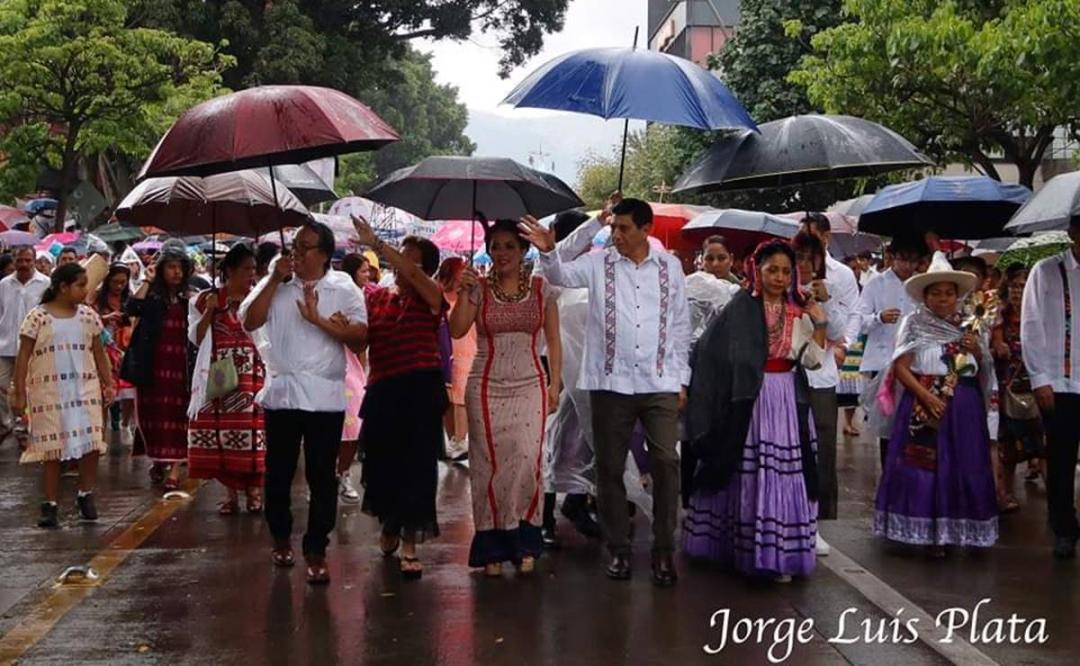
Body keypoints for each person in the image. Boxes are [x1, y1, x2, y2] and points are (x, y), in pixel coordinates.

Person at [521, 198, 691, 587]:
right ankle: (618, 550)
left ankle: (664, 552)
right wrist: (549, 250)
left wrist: (681, 377)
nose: (616, 235)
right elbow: (559, 274)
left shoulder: (671, 267)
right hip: (609, 383)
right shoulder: (598, 264)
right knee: (609, 470)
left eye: (625, 229)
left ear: (646, 229)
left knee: (666, 462)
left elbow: (680, 323)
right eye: (613, 228)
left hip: (659, 382)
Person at [684, 241, 827, 581]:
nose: (779, 277)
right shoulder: (741, 307)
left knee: (781, 472)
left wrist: (819, 322)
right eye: (772, 270)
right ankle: (739, 548)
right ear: (756, 270)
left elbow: (814, 360)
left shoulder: (798, 310)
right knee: (745, 470)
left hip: (785, 399)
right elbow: (708, 349)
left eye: (785, 272)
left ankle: (777, 554)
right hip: (747, 399)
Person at [241, 221, 368, 584]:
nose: (296, 253)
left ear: (325, 254)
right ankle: (280, 538)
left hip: (324, 398)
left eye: (305, 248)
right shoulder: (277, 284)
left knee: (321, 476)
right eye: (294, 246)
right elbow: (250, 319)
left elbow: (360, 338)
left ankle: (316, 548)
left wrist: (320, 320)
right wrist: (271, 280)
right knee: (278, 474)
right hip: (281, 394)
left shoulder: (343, 287)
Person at [449, 219, 562, 577]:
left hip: (531, 383)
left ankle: (526, 539)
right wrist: (465, 292)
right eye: (495, 246)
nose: (501, 253)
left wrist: (555, 385)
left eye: (509, 246)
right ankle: (492, 545)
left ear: (524, 250)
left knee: (528, 458)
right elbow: (456, 329)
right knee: (487, 465)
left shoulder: (543, 289)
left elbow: (554, 341)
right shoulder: (477, 288)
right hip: (485, 384)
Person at [872, 253, 998, 556]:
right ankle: (928, 534)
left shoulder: (969, 325)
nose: (943, 299)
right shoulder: (913, 324)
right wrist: (925, 396)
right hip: (924, 400)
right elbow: (900, 367)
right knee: (925, 465)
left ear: (958, 295)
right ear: (925, 296)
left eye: (949, 293)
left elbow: (981, 368)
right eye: (936, 293)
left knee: (963, 464)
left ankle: (957, 529)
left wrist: (977, 352)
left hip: (963, 404)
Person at [354, 223, 446, 581]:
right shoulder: (375, 297)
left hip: (421, 389)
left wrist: (378, 244)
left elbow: (410, 273)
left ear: (425, 269)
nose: (400, 265)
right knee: (382, 466)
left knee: (418, 468)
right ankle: (391, 520)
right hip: (383, 390)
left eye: (411, 260)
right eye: (399, 257)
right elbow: (361, 341)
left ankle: (410, 544)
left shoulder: (432, 294)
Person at [13, 263, 113, 527]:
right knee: (52, 449)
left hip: (85, 388)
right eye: (80, 285)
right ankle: (50, 503)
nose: (85, 290)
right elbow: (23, 356)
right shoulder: (37, 317)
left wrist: (109, 382)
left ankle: (85, 494)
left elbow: (99, 352)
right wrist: (19, 392)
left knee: (92, 443)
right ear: (62, 287)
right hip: (49, 392)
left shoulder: (88, 316)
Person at [796, 214, 860, 556]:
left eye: (811, 249)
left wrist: (827, 304)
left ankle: (817, 520)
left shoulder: (841, 275)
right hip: (785, 375)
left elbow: (849, 320)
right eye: (800, 252)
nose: (805, 261)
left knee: (822, 442)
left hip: (822, 371)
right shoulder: (781, 275)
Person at [187, 244, 265, 515]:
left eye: (254, 270)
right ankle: (232, 494)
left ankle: (255, 491)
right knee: (222, 434)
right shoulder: (204, 300)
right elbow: (196, 338)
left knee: (254, 434)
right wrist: (209, 311)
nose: (251, 275)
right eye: (246, 270)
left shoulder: (259, 298)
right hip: (218, 375)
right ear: (230, 271)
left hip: (253, 376)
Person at [1020, 215, 1080, 559]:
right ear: (1073, 231)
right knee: (1060, 459)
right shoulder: (1047, 271)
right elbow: (1031, 325)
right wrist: (1040, 377)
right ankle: (1064, 528)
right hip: (1061, 382)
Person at [122, 240, 194, 490]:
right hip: (152, 368)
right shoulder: (152, 296)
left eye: (180, 267)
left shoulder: (190, 298)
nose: (176, 272)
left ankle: (174, 470)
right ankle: (160, 460)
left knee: (179, 417)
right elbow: (131, 308)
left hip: (182, 369)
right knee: (154, 417)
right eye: (171, 267)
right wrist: (147, 280)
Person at [853, 236, 928, 466]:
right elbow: (859, 320)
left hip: (914, 363)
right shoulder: (876, 284)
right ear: (892, 257)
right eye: (902, 259)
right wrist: (879, 317)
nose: (907, 265)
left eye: (912, 260)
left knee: (912, 421)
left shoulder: (920, 286)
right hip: (882, 362)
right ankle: (889, 474)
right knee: (887, 426)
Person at [991, 265, 1043, 512]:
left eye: (1022, 286)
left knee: (1042, 444)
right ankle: (1005, 494)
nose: (1017, 291)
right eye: (1012, 286)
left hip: (1035, 383)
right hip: (1006, 385)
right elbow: (993, 342)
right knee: (1007, 444)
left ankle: (1057, 501)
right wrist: (997, 347)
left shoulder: (1040, 312)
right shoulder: (998, 314)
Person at [0, 247, 50, 439]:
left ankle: (24, 424)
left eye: (28, 261)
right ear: (14, 262)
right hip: (5, 345)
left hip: (33, 347)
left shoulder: (45, 284)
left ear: (34, 261)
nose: (24, 265)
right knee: (2, 386)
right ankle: (7, 424)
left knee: (29, 387)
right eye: (20, 261)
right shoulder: (4, 284)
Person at [335, 252, 371, 504]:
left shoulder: (367, 297)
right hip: (334, 366)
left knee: (354, 426)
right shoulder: (337, 295)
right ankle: (330, 477)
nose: (368, 275)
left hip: (355, 367)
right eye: (364, 271)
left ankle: (342, 473)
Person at [437, 256, 474, 463]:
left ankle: (460, 439)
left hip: (467, 350)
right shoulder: (439, 297)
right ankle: (453, 439)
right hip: (447, 351)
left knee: (460, 398)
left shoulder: (470, 296)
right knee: (449, 399)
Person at [93, 263, 135, 441]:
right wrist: (105, 318)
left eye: (123, 282)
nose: (119, 286)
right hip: (103, 348)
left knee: (128, 391)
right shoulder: (96, 298)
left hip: (124, 347)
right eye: (115, 282)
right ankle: (100, 434)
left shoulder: (129, 299)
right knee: (103, 391)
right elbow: (89, 320)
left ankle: (125, 424)